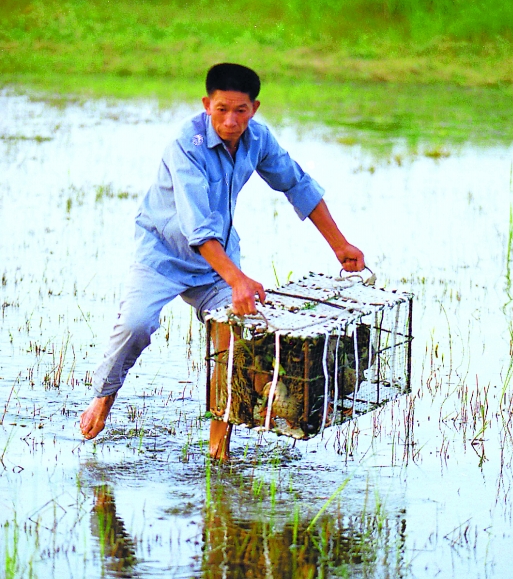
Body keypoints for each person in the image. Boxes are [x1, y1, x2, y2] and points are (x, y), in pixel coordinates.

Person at [80, 63, 365, 459]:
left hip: (219, 260)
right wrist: (238, 280)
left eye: (241, 111)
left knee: (230, 340)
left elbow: (297, 184)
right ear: (206, 105)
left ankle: (219, 448)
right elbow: (198, 229)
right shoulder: (186, 145)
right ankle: (104, 398)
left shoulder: (258, 139)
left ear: (255, 108)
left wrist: (340, 245)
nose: (231, 121)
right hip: (163, 253)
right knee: (136, 325)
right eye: (221, 110)